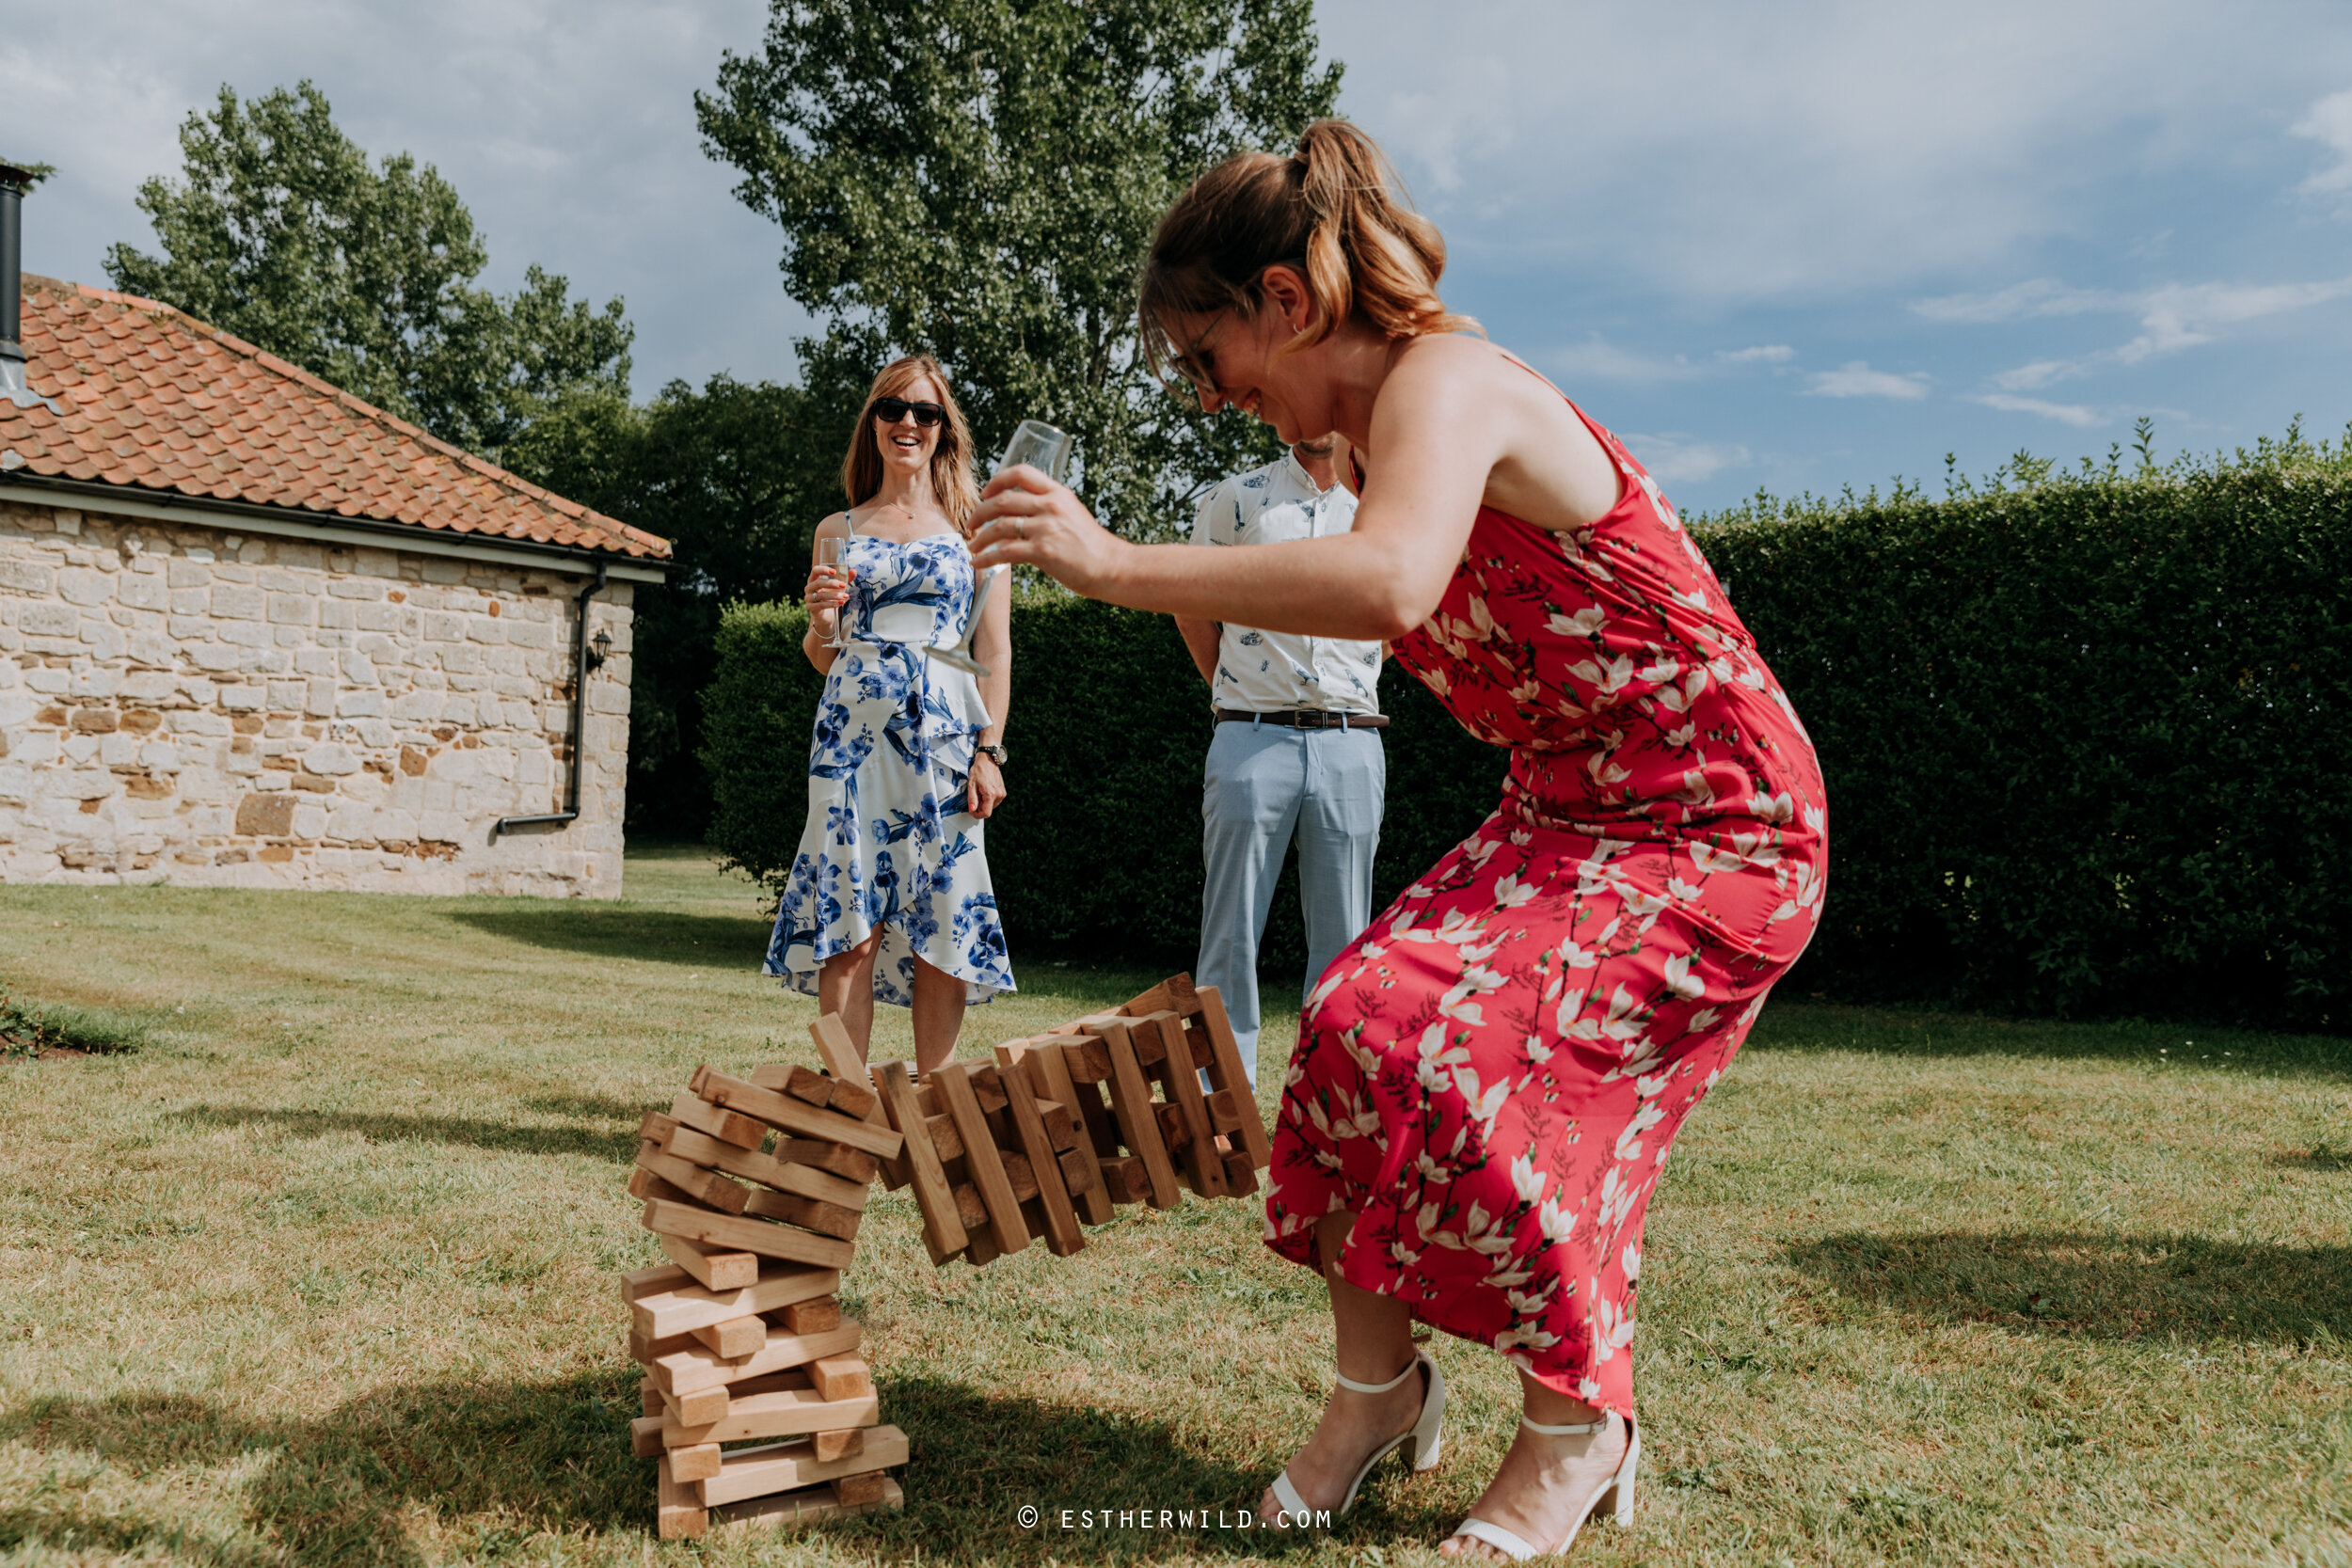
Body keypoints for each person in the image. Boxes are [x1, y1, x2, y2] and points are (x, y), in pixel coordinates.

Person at [969, 121, 1827, 1559]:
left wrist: (1108, 562)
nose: (1209, 394)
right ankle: (1381, 1390)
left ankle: (1578, 1423)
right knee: (1352, 1020)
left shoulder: (1450, 381)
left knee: (1485, 1057)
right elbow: (1347, 574)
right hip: (1567, 810)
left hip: (1716, 819)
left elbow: (1390, 580)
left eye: (1205, 354)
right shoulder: (1369, 439)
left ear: (1288, 301)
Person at [765, 356, 1014, 1075]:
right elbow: (824, 653)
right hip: (849, 740)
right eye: (893, 409)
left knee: (945, 920)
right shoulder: (836, 527)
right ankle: (844, 1105)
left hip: (942, 741)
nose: (908, 422)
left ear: (944, 431)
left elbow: (994, 652)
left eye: (925, 412)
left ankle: (935, 1105)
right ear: (873, 422)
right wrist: (817, 622)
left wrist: (989, 751)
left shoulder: (977, 531)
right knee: (849, 927)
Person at [1174, 436, 1385, 1088]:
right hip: (1250, 737)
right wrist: (1233, 689)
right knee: (1230, 930)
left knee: (1347, 940)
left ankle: (1331, 1102)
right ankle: (1219, 1104)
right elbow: (1189, 600)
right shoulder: (1236, 500)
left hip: (1351, 740)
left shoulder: (1380, 508)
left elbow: (1404, 619)